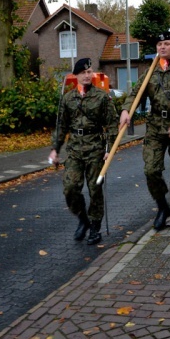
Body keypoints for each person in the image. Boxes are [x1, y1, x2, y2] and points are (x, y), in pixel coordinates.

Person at [119, 31, 170, 234]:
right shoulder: (150, 72)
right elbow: (135, 93)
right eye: (159, 44)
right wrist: (125, 110)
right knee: (151, 170)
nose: (162, 47)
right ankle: (163, 206)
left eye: (166, 43)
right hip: (155, 126)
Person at [49, 58, 119, 245]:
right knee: (70, 188)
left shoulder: (102, 97)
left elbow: (112, 125)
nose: (87, 75)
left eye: (90, 72)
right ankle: (83, 219)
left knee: (95, 189)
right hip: (74, 149)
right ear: (76, 76)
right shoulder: (68, 98)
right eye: (83, 72)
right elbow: (61, 126)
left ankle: (95, 227)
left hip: (95, 148)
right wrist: (55, 149)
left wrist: (110, 149)